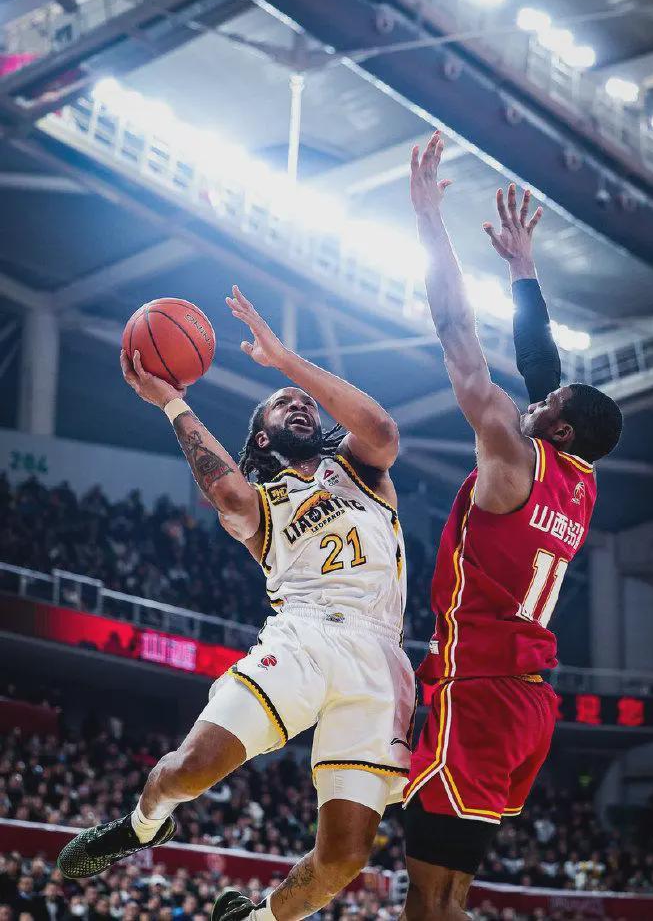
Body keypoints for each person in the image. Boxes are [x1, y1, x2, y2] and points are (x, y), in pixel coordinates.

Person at [57, 286, 416, 921]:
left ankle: (254, 919)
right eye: (283, 404)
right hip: (303, 637)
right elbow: (225, 492)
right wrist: (172, 403)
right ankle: (144, 824)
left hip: (381, 661)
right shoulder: (260, 502)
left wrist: (286, 364)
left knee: (345, 857)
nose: (299, 404)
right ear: (261, 437)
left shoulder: (360, 469)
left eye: (306, 403)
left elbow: (384, 430)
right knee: (190, 769)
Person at [401, 131, 623, 920]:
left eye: (546, 406)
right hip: (526, 704)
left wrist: (428, 221)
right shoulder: (579, 482)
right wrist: (522, 271)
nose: (534, 398)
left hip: (480, 688)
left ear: (554, 430)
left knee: (427, 902)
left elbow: (456, 336)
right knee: (450, 895)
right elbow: (545, 371)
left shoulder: (507, 450)